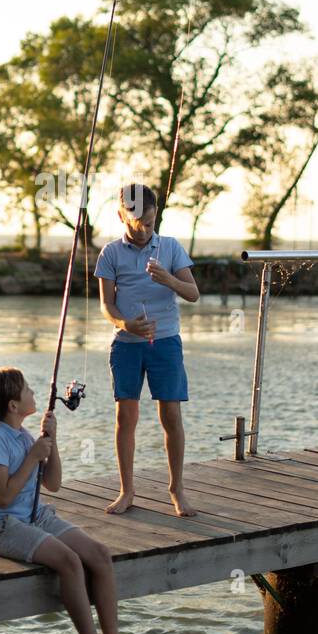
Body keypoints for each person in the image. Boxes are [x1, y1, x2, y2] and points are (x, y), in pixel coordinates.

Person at [0, 364, 153, 634]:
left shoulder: (23, 435)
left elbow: (53, 484)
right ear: (13, 406)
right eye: (26, 389)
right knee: (70, 562)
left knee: (100, 555)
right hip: (4, 526)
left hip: (34, 515)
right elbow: (2, 498)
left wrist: (50, 443)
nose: (33, 392)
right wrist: (32, 457)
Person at [94, 182, 199, 516]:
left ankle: (177, 490)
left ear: (156, 217)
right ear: (121, 215)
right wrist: (125, 324)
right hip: (126, 346)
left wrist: (168, 279)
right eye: (136, 223)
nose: (143, 231)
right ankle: (127, 491)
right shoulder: (110, 253)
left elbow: (193, 293)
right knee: (126, 416)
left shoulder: (169, 248)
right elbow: (106, 306)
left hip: (165, 343)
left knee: (170, 415)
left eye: (150, 224)